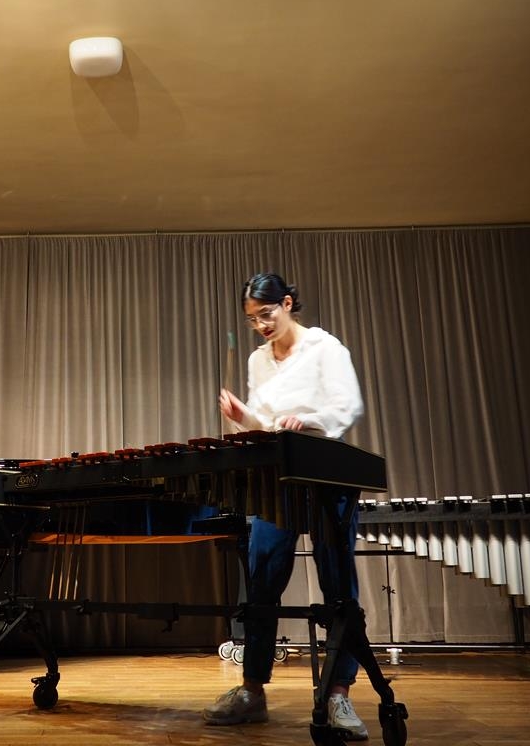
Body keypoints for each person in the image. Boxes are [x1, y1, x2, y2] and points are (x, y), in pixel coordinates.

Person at [202, 272, 368, 740]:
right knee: (262, 585)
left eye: (267, 314)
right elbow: (265, 423)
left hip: (326, 476)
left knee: (338, 588)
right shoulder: (257, 360)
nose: (261, 326)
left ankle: (338, 693)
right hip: (277, 481)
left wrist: (308, 420)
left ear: (288, 303)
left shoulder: (325, 348)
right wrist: (243, 417)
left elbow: (347, 407)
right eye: (252, 320)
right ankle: (252, 691)